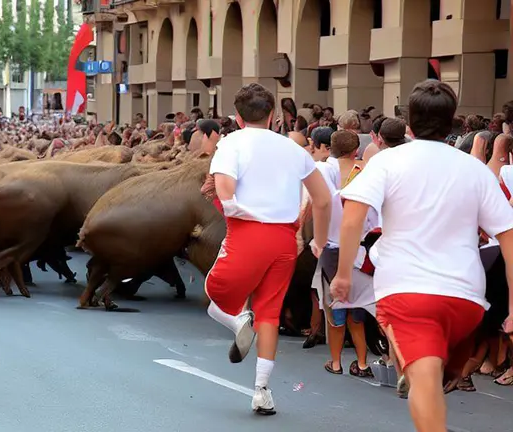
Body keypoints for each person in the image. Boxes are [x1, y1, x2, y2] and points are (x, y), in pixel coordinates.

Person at [330, 80, 513, 432]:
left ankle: (416, 373)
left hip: (406, 290)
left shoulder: (387, 162)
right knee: (433, 377)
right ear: (452, 122)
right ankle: (418, 369)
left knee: (425, 384)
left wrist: (342, 274)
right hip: (466, 300)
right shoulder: (475, 169)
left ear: (409, 124)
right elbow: (507, 235)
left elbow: (353, 216)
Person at [206, 83, 331, 415]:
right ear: (274, 115)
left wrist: (235, 207)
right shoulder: (294, 149)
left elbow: (225, 190)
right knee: (270, 313)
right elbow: (322, 199)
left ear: (237, 116)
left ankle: (237, 323)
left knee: (213, 293)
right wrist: (319, 239)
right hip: (285, 241)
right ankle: (262, 390)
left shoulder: (230, 143)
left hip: (247, 233)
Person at [316, 130, 376, 377]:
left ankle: (336, 362)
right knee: (359, 308)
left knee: (336, 306)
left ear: (331, 147)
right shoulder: (366, 176)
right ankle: (362, 363)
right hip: (361, 247)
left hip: (330, 248)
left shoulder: (322, 173)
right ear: (356, 152)